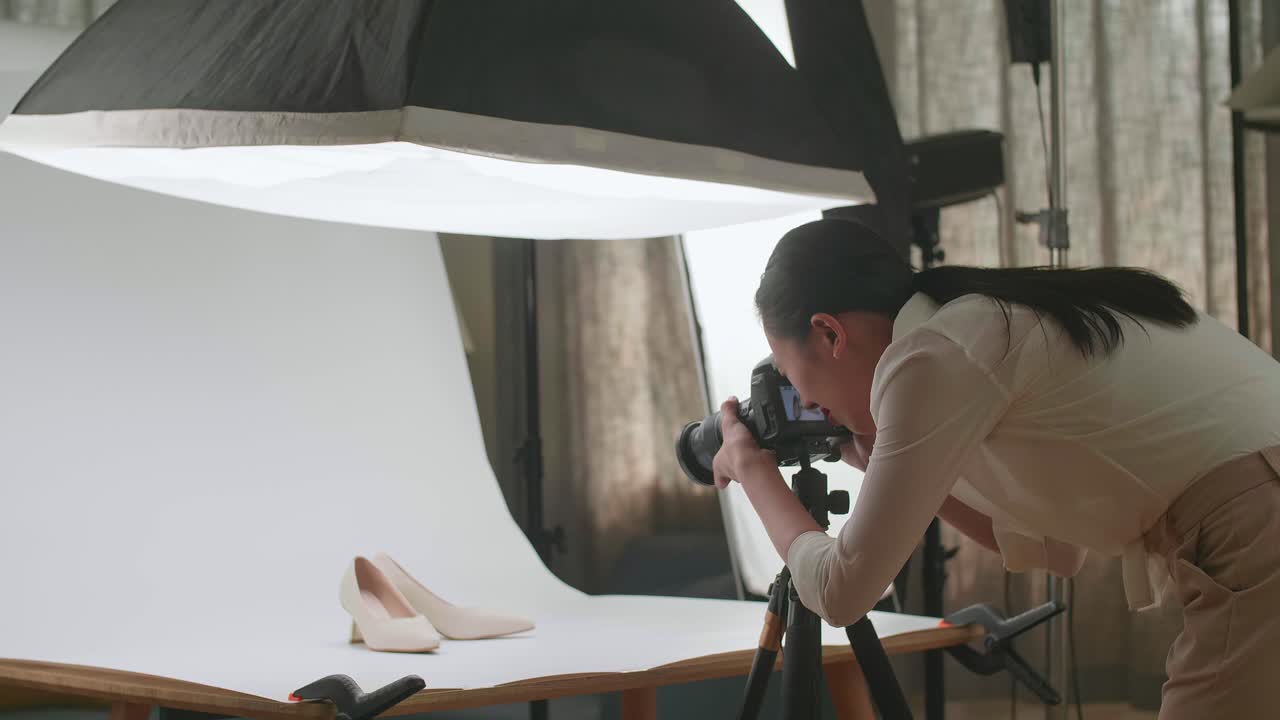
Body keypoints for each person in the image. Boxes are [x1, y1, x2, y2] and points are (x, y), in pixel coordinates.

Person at [710, 218, 1280, 719]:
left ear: (830, 333)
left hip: (1255, 526)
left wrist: (752, 469)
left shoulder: (930, 356)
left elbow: (840, 591)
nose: (809, 406)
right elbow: (1058, 549)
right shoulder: (972, 325)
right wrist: (895, 466)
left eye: (793, 375)